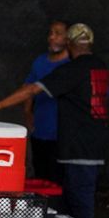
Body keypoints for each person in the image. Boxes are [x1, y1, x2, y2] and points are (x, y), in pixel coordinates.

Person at [0, 23, 107, 218]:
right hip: (93, 142)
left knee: (80, 205)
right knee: (71, 200)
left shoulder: (72, 70)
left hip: (78, 147)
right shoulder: (100, 66)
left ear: (69, 43)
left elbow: (32, 90)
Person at [19, 19, 70, 183]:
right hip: (40, 130)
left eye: (57, 34)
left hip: (62, 134)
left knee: (59, 178)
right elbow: (28, 88)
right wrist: (27, 112)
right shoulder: (40, 62)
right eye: (50, 33)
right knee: (41, 176)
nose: (52, 37)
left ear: (68, 39)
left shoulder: (72, 65)